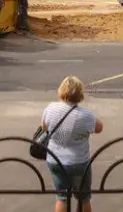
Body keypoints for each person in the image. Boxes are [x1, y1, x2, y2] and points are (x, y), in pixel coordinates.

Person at [40, 76, 102, 212]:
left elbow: (44, 128)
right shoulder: (86, 116)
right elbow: (99, 128)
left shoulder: (50, 109)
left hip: (55, 160)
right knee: (83, 198)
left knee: (62, 197)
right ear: (80, 94)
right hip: (79, 162)